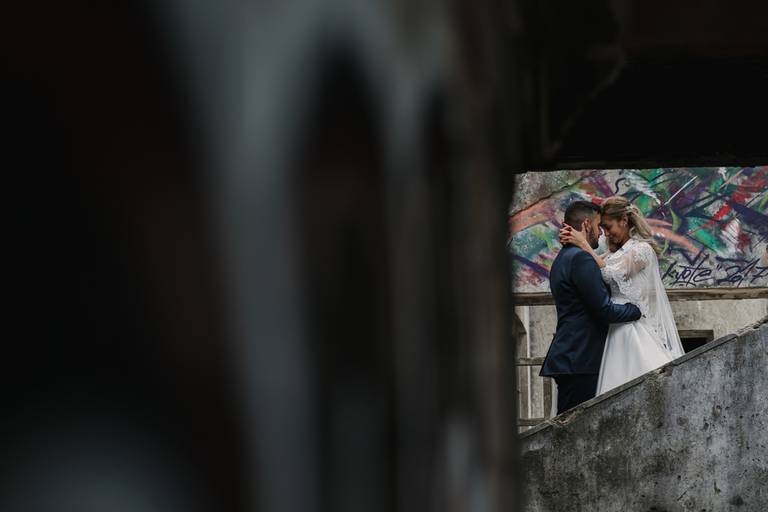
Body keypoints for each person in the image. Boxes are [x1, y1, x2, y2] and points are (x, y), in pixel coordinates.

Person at [559, 196, 685, 395]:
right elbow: (594, 268)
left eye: (608, 227)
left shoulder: (642, 250)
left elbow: (612, 273)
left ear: (624, 221)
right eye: (602, 228)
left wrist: (583, 244)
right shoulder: (611, 254)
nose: (605, 234)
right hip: (614, 327)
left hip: (631, 325)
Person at [540, 201, 642, 415]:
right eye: (598, 226)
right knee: (576, 432)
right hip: (581, 359)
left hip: (573, 357)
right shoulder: (580, 259)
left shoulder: (565, 257)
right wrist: (637, 310)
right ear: (587, 225)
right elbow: (604, 310)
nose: (601, 234)